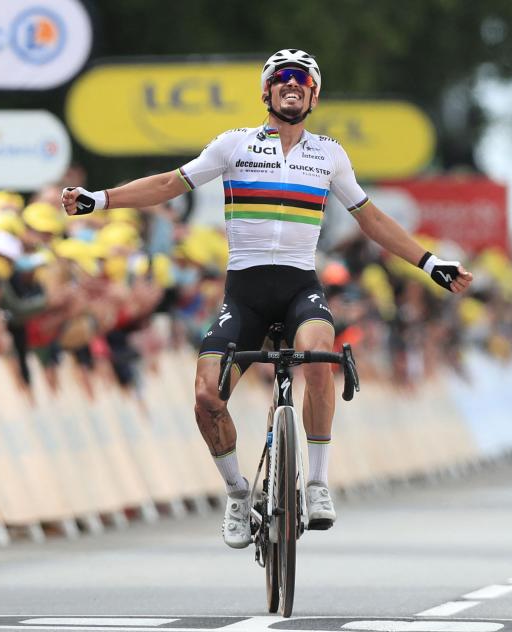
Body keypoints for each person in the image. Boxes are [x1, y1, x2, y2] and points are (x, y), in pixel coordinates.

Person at [62, 49, 473, 549]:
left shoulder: (330, 155)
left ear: (314, 94)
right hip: (246, 294)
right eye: (282, 79)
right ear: (267, 92)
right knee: (206, 395)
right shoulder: (233, 145)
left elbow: (372, 220)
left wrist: (431, 264)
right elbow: (171, 183)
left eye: (303, 79)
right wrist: (100, 200)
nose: (292, 84)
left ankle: (318, 483)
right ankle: (238, 494)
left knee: (320, 352)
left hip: (301, 287)